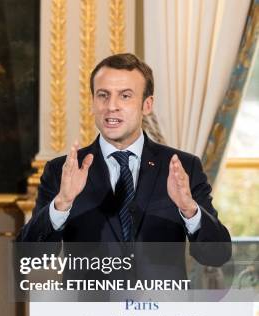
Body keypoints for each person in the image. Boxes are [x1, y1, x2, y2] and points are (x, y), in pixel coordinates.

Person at [18, 53, 231, 280]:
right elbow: (29, 258)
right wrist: (61, 204)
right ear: (92, 102)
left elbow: (217, 255)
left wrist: (190, 209)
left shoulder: (182, 167)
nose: (111, 106)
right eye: (103, 95)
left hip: (161, 312)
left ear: (146, 105)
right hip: (90, 313)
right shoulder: (63, 171)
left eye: (125, 96)